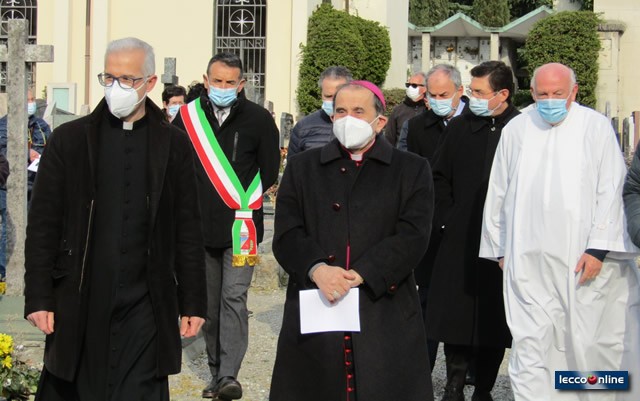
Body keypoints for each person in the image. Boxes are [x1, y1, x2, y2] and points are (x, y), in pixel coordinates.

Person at [23, 37, 206, 401]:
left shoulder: (174, 145)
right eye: (108, 78)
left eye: (128, 79)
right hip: (82, 294)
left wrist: (193, 302)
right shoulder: (69, 141)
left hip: (146, 301)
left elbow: (187, 228)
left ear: (150, 83)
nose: (116, 88)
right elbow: (43, 224)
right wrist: (38, 296)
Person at [481, 62, 640, 401]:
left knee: (589, 342)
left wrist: (599, 248)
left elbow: (611, 189)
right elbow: (499, 191)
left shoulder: (594, 127)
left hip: (583, 263)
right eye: (543, 94)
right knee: (532, 343)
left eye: (558, 94)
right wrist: (500, 248)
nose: (550, 100)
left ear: (574, 93)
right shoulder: (518, 128)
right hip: (527, 263)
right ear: (532, 93)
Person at [270, 80, 435, 401]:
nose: (348, 119)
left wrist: (362, 273)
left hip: (382, 305)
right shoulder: (303, 168)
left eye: (359, 112)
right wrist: (318, 269)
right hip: (318, 300)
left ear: (380, 121)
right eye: (341, 111)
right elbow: (287, 232)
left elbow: (413, 235)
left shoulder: (411, 169)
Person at [172, 52, 280, 400]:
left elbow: (268, 169)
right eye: (216, 81)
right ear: (205, 80)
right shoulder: (185, 119)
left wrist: (244, 202)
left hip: (241, 228)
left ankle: (229, 375)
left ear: (241, 84)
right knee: (209, 304)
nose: (222, 87)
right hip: (197, 228)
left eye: (229, 83)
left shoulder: (259, 119)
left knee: (234, 298)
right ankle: (217, 372)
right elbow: (173, 167)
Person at [427, 61, 518, 401]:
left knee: (495, 317)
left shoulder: (521, 128)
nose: (472, 97)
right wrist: (446, 219)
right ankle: (453, 383)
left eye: (479, 92)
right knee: (456, 313)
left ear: (502, 94)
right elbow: (438, 176)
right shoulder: (460, 128)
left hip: (505, 241)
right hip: (460, 235)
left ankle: (484, 387)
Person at [402, 63, 468, 372]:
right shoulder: (418, 127)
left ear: (460, 92)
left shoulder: (475, 123)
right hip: (429, 224)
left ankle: (461, 372)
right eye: (433, 94)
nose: (438, 99)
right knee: (425, 299)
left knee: (461, 300)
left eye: (445, 94)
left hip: (465, 225)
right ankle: (421, 371)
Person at [287, 66, 352, 157]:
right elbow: (293, 168)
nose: (334, 101)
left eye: (338, 95)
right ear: (321, 94)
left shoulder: (362, 124)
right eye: (328, 96)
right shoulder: (303, 127)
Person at [384, 71, 427, 147]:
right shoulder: (398, 110)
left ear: (425, 88)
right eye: (408, 85)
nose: (410, 88)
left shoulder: (430, 110)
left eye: (414, 85)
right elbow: (389, 139)